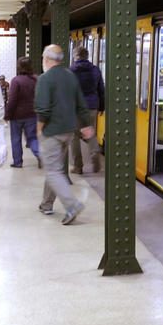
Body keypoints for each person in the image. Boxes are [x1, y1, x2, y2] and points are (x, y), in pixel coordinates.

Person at [35, 45, 94, 225]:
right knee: (56, 168)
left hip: (52, 131)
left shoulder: (45, 79)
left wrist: (39, 128)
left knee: (52, 170)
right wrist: (86, 124)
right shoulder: (70, 76)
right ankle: (46, 204)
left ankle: (72, 205)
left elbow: (43, 109)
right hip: (68, 130)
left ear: (46, 59)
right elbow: (81, 104)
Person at [69, 46, 104, 174]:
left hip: (76, 107)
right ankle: (95, 154)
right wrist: (101, 106)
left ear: (76, 56)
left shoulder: (71, 71)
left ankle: (78, 166)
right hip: (92, 106)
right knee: (90, 132)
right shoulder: (95, 70)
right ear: (87, 56)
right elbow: (101, 89)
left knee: (74, 136)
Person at [5, 57, 40, 168]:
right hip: (32, 114)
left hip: (17, 116)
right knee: (33, 138)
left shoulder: (16, 80)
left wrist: (7, 115)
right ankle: (40, 154)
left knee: (16, 139)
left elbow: (12, 100)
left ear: (19, 66)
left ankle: (18, 162)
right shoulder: (36, 79)